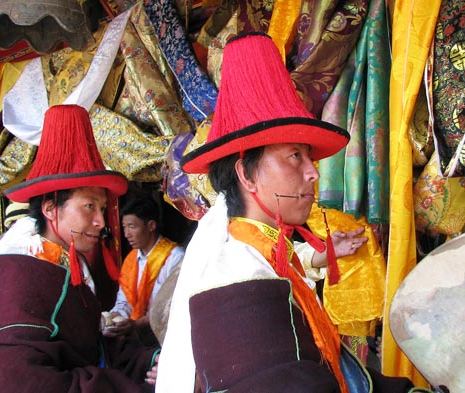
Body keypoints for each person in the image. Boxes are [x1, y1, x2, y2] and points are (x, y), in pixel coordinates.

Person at [156, 33, 413, 393]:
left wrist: (320, 255)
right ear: (246, 174)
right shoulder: (237, 284)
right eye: (295, 155)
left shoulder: (257, 251)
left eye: (308, 156)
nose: (313, 171)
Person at [0, 105, 159, 392]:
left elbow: (91, 350)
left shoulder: (68, 263)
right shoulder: (19, 272)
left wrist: (152, 361)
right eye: (89, 206)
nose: (100, 221)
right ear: (51, 208)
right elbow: (21, 381)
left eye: (102, 208)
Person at [103, 198, 185, 345]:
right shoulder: (131, 259)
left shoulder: (175, 257)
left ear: (151, 226)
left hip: (166, 337)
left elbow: (173, 307)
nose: (127, 234)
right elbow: (124, 301)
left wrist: (136, 324)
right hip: (137, 336)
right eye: (124, 227)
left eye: (132, 227)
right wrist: (114, 317)